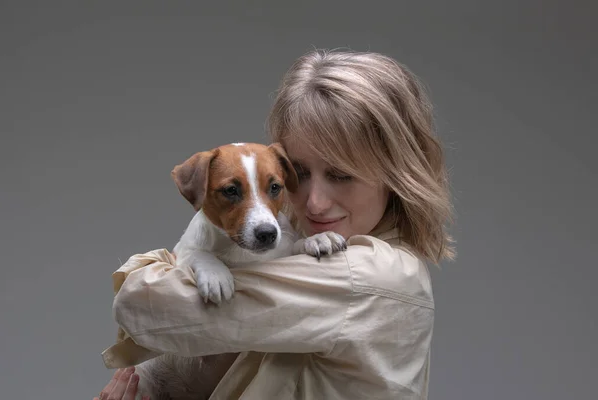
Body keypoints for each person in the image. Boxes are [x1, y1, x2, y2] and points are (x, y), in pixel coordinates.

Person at [96, 49, 455, 399]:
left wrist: (159, 268)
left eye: (341, 175)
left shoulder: (363, 276)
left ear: (396, 175)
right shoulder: (320, 259)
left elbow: (140, 307)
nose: (314, 202)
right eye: (298, 173)